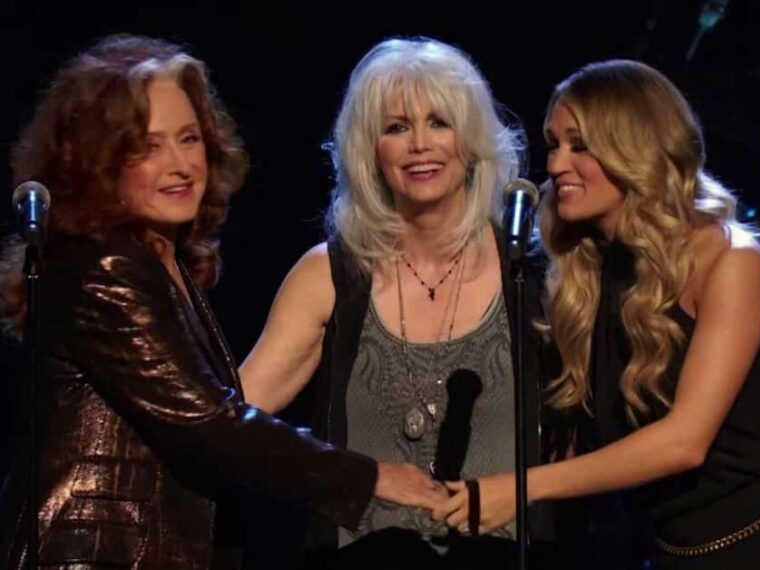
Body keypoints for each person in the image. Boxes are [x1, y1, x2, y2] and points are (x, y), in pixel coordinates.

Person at [0, 34, 442, 570]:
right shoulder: (106, 269)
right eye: (149, 147)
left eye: (189, 139)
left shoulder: (160, 260)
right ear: (100, 160)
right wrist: (370, 477)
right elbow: (211, 423)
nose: (181, 164)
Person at [435, 60, 760, 569]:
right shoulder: (590, 269)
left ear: (635, 149)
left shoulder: (731, 262)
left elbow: (684, 441)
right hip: (682, 547)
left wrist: (523, 488)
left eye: (580, 145)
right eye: (554, 145)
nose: (555, 165)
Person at [240, 37, 552, 568]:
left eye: (439, 122)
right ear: (370, 150)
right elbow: (231, 424)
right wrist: (350, 477)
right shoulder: (329, 273)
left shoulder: (530, 273)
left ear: (471, 138)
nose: (420, 145)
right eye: (397, 128)